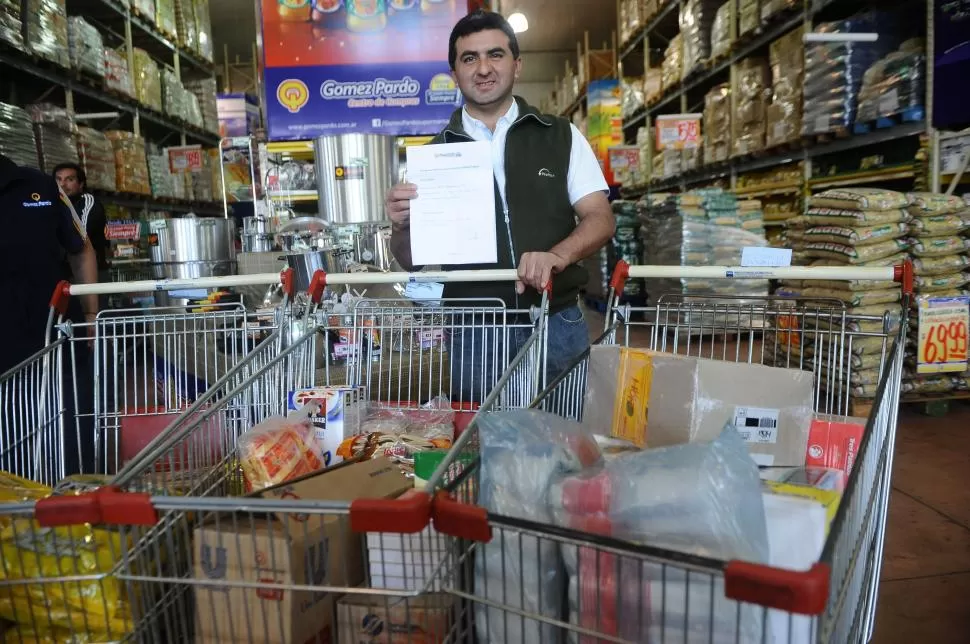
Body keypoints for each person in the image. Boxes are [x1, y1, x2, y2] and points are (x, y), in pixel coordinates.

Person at [385, 10, 615, 401]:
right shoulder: (434, 157)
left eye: (495, 54)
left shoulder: (560, 136)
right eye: (469, 58)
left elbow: (600, 218)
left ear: (517, 64)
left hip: (556, 320)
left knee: (567, 432)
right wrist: (401, 226)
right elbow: (412, 261)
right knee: (485, 435)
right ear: (455, 74)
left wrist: (557, 256)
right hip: (475, 332)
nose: (483, 68)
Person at [0, 153, 99, 477]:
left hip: (54, 338)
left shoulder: (41, 186)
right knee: (10, 449)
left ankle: (71, 499)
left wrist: (90, 313)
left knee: (68, 444)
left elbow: (81, 249)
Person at [54, 162, 110, 285]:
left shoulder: (88, 202)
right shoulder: (52, 204)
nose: (62, 184)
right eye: (58, 179)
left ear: (81, 184)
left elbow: (80, 235)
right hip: (63, 274)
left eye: (70, 179)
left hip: (90, 274)